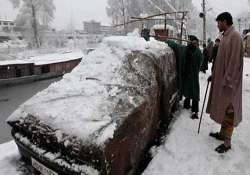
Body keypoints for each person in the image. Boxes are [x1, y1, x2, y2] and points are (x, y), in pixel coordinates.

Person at [206, 12, 244, 153]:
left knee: (229, 111)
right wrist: (214, 75)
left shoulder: (235, 37)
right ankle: (222, 134)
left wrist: (228, 81)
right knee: (224, 109)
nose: (217, 25)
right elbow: (220, 61)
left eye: (218, 22)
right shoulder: (225, 36)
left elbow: (234, 63)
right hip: (222, 81)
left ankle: (227, 143)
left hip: (229, 84)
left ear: (224, 21)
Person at [166, 35, 203, 119]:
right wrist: (167, 41)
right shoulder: (185, 49)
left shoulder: (197, 52)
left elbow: (200, 62)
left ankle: (195, 110)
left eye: (190, 40)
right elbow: (175, 45)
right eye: (189, 41)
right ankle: (186, 104)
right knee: (188, 89)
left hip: (193, 75)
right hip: (187, 74)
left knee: (194, 92)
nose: (188, 42)